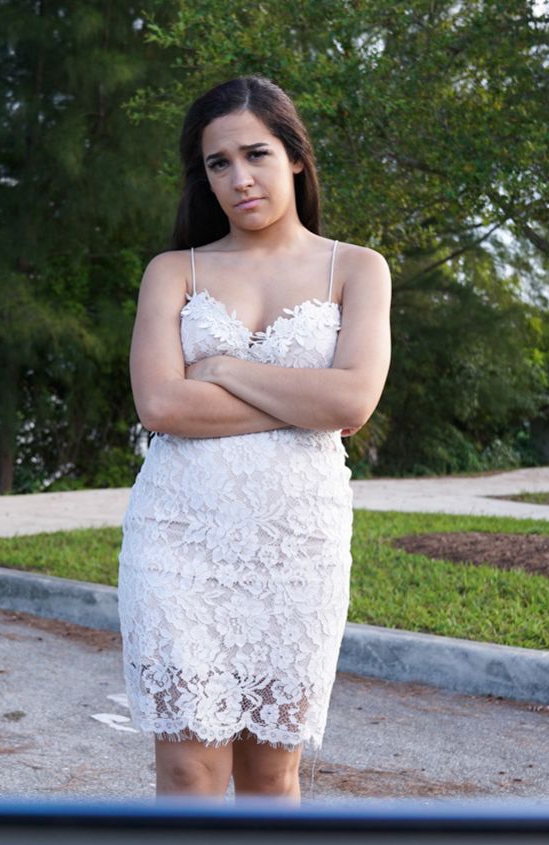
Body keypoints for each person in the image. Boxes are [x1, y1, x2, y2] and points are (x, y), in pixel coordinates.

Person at [117, 75, 392, 806]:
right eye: (219, 163)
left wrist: (224, 369)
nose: (239, 178)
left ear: (295, 157)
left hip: (296, 544)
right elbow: (160, 404)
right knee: (187, 771)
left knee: (272, 774)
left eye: (256, 154)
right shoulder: (174, 271)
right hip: (179, 538)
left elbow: (353, 399)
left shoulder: (356, 268)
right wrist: (306, 401)